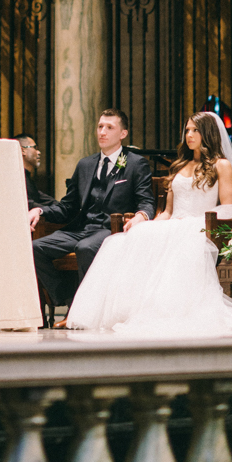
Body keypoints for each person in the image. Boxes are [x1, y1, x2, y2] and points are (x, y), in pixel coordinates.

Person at [65, 111, 232, 337]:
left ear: (208, 133)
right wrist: (148, 226)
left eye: (195, 130)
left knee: (179, 246)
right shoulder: (180, 165)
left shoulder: (220, 165)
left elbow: (227, 207)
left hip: (200, 225)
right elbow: (167, 211)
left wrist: (197, 220)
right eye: (187, 130)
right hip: (173, 223)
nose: (189, 135)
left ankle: (166, 310)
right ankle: (127, 310)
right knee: (122, 241)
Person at [30, 109, 155, 312]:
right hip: (81, 228)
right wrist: (40, 211)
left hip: (110, 229)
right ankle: (71, 301)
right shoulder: (85, 164)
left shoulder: (134, 163)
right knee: (35, 248)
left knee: (86, 248)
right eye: (99, 126)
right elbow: (68, 207)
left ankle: (89, 309)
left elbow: (146, 201)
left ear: (123, 133)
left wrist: (142, 215)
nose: (102, 132)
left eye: (109, 127)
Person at [15, 133, 57, 212]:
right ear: (22, 150)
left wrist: (62, 208)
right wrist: (48, 211)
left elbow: (42, 197)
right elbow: (28, 204)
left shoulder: (26, 176)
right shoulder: (14, 177)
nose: (38, 152)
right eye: (35, 148)